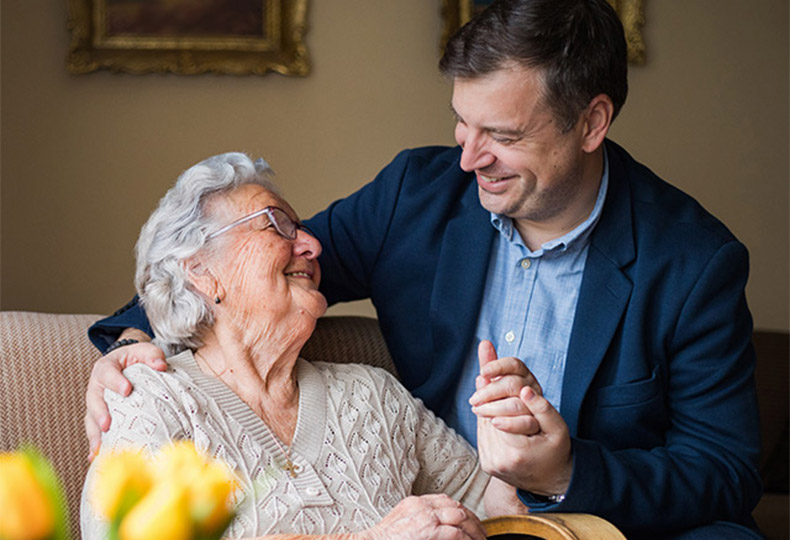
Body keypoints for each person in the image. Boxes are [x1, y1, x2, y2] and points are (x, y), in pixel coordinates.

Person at [85, 0, 764, 538]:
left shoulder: (693, 262)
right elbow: (255, 265)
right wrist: (132, 343)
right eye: (461, 125)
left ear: (591, 123)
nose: (468, 159)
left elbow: (726, 472)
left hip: (603, 517)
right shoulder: (417, 195)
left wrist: (567, 470)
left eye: (501, 135)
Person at [80, 152, 499, 540]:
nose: (313, 246)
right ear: (202, 271)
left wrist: (544, 465)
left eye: (302, 230)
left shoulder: (374, 394)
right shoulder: (152, 402)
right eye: (278, 224)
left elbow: (490, 505)